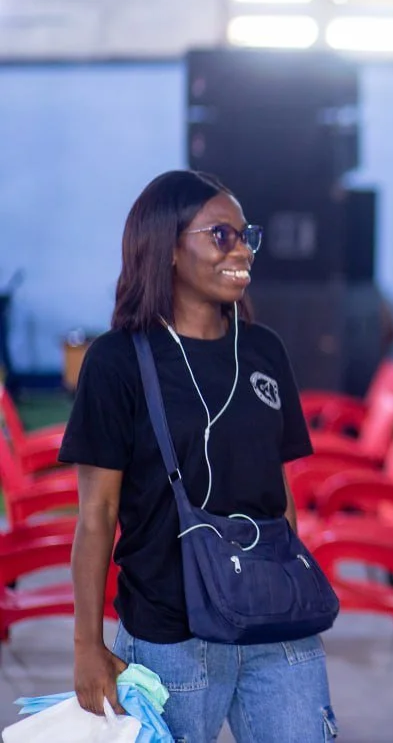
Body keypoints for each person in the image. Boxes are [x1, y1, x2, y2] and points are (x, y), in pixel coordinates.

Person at [62, 170, 338, 742]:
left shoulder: (262, 350)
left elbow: (278, 486)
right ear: (166, 248)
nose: (242, 252)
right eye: (221, 236)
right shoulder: (117, 362)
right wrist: (87, 645)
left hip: (277, 629)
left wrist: (288, 583)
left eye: (246, 237)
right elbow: (96, 515)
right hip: (172, 640)